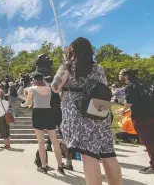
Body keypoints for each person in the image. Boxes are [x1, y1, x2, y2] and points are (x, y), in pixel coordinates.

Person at [51, 37, 122, 185]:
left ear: (73, 50)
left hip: (79, 111)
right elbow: (105, 86)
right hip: (99, 110)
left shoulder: (68, 66)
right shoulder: (98, 67)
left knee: (89, 155)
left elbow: (55, 87)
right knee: (108, 154)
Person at [22, 72, 64, 174]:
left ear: (34, 80)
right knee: (54, 141)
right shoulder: (50, 89)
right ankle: (60, 165)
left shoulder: (32, 89)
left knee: (41, 142)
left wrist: (22, 103)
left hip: (38, 114)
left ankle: (44, 166)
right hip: (48, 113)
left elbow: (28, 104)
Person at [118, 68, 154, 174]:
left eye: (120, 74)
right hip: (151, 114)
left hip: (141, 117)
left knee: (148, 141)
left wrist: (122, 110)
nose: (119, 76)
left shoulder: (130, 86)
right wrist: (127, 109)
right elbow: (139, 101)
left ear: (126, 76)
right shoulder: (143, 84)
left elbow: (129, 103)